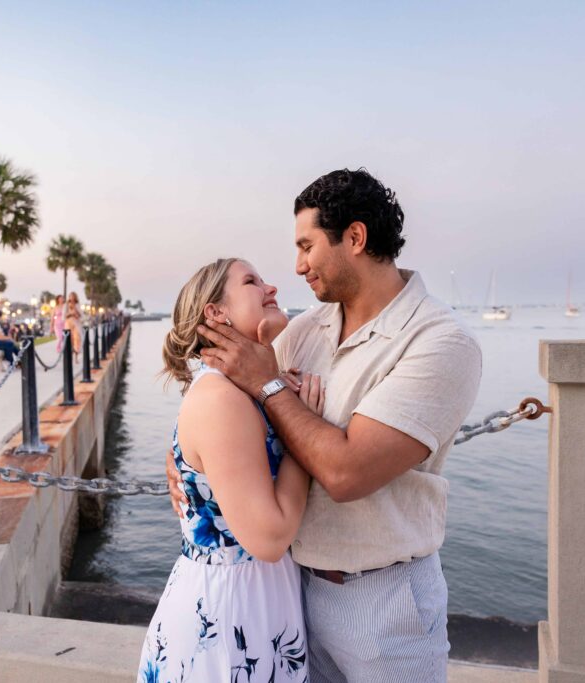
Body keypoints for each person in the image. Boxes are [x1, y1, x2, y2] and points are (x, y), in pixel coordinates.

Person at [171, 168, 482, 681]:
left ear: (354, 238)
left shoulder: (439, 343)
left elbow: (346, 474)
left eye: (307, 246)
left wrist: (272, 388)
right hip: (290, 593)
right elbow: (231, 410)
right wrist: (187, 462)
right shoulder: (303, 331)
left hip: (383, 606)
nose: (296, 267)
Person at [138, 258, 323, 683]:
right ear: (216, 313)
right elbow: (269, 538)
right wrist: (304, 427)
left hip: (256, 602)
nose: (271, 286)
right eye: (252, 281)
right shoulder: (221, 399)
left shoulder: (246, 390)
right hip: (229, 618)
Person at [65, 292, 83, 356]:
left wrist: (75, 309)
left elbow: (80, 315)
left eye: (73, 296)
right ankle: (70, 354)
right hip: (68, 323)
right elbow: (64, 315)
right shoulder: (66, 305)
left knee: (77, 339)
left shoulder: (77, 305)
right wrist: (70, 314)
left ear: (75, 297)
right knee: (70, 340)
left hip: (76, 323)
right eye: (70, 296)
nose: (71, 298)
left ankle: (76, 356)